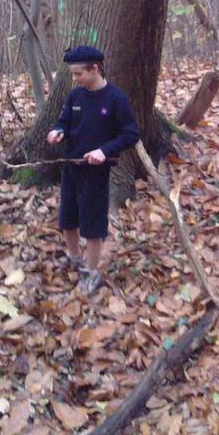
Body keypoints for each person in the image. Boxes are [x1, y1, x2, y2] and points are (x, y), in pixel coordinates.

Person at [47, 45, 140, 293]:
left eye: (79, 74)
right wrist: (58, 131)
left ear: (95, 69)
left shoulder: (115, 99)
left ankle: (91, 269)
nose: (75, 80)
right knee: (68, 217)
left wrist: (104, 150)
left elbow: (130, 133)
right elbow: (63, 121)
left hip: (96, 172)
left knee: (93, 222)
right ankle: (74, 257)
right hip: (71, 166)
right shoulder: (75, 97)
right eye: (73, 75)